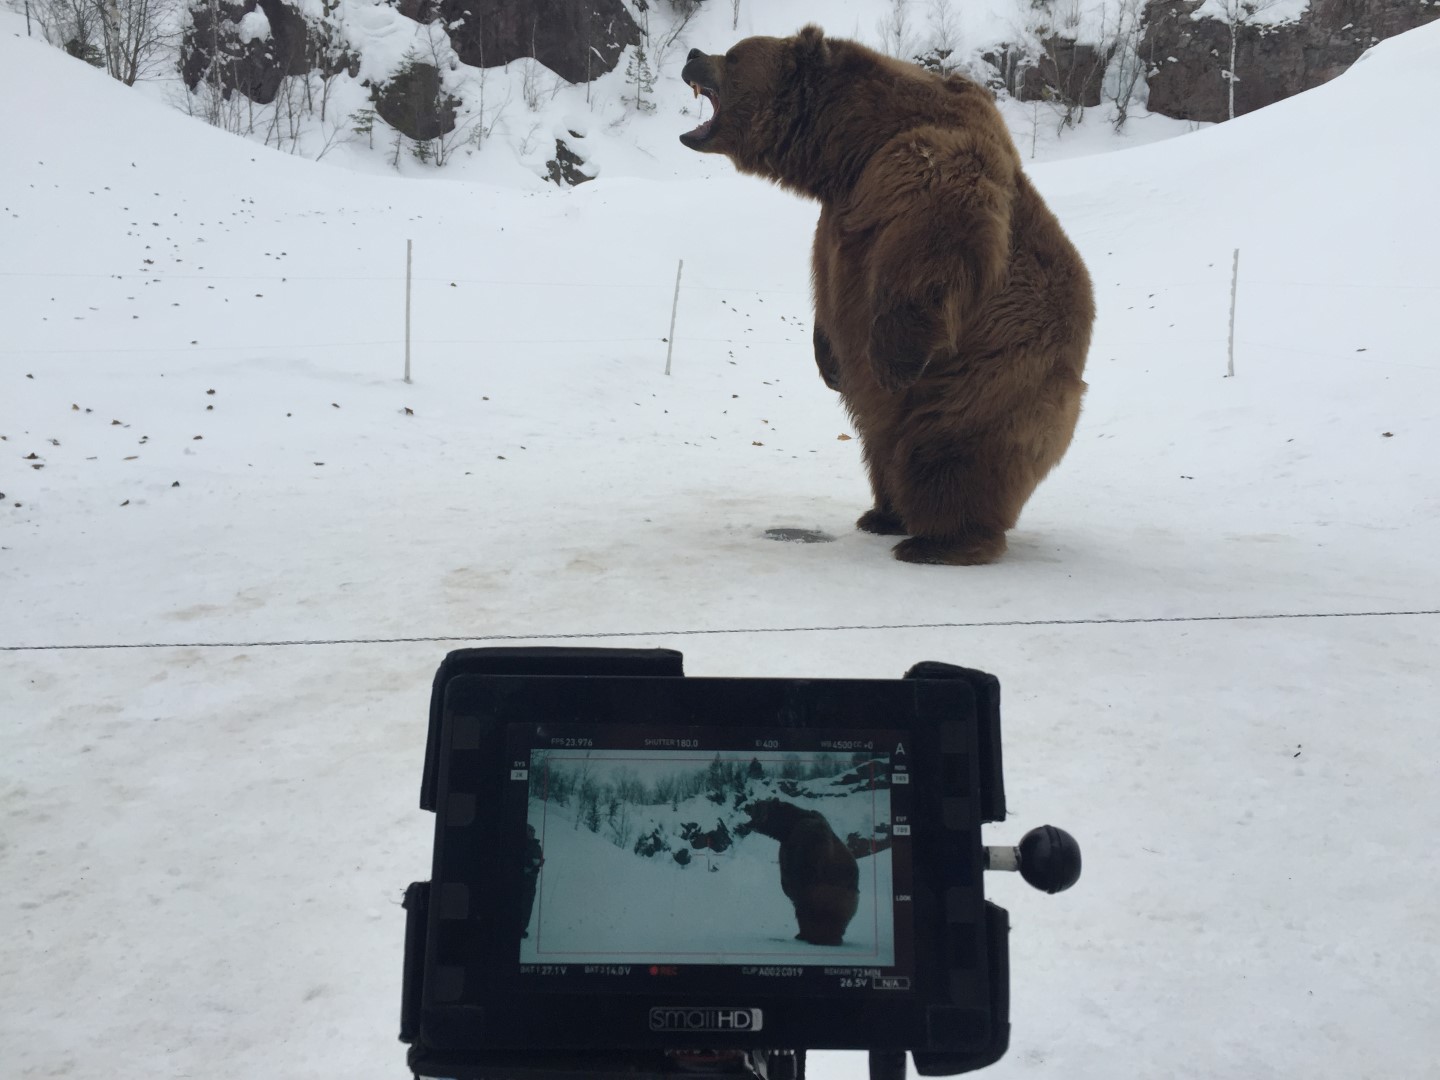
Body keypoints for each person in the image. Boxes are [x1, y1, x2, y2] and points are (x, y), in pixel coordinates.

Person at [519, 824, 545, 939]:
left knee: (527, 905)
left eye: (533, 831)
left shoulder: (536, 846)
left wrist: (539, 863)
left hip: (531, 880)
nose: (532, 833)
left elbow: (539, 860)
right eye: (530, 831)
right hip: (520, 879)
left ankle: (522, 928)